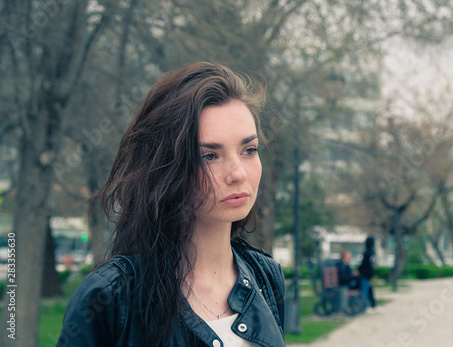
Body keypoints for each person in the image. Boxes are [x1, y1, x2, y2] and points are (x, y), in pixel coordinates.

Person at [57, 62, 285, 347]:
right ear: (166, 167)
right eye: (209, 156)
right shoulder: (111, 296)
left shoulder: (265, 276)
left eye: (249, 150)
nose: (238, 173)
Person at [358, 236, 377, 311]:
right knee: (369, 290)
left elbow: (364, 264)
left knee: (365, 291)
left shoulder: (367, 253)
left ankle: (365, 306)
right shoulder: (373, 253)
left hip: (365, 275)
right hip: (370, 275)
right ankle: (372, 304)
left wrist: (359, 270)